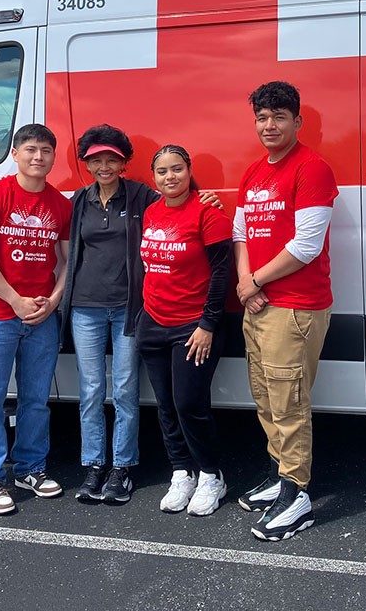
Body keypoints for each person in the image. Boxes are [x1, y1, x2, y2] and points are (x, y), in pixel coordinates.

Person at [233, 80, 338, 542]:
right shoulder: (254, 172)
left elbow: (307, 246)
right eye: (262, 117)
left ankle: (297, 495)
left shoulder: (312, 168)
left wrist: (255, 281)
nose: (269, 125)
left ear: (298, 121)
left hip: (295, 307)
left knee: (290, 403)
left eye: (279, 116)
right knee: (266, 398)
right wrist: (245, 283)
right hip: (258, 304)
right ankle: (279, 475)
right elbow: (241, 233)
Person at [0, 123, 72, 515]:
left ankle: (30, 467)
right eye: (30, 149)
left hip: (41, 318)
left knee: (36, 400)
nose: (38, 157)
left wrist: (54, 301)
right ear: (15, 153)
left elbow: (66, 261)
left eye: (45, 150)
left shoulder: (60, 204)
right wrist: (14, 301)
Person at [60, 125, 154, 505]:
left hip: (128, 309)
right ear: (86, 163)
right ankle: (95, 464)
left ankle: (123, 468)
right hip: (86, 308)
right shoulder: (78, 201)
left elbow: (180, 202)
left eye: (111, 159)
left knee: (126, 390)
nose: (104, 166)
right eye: (96, 159)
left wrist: (209, 200)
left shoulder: (142, 197)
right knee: (91, 390)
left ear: (123, 162)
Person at [136, 144, 232, 516]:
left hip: (193, 327)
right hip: (153, 323)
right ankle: (181, 472)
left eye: (177, 169)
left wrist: (208, 324)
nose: (170, 177)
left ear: (189, 171)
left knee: (190, 404)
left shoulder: (208, 213)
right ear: (154, 177)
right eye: (162, 171)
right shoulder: (151, 213)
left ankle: (211, 475)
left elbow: (222, 273)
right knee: (165, 406)